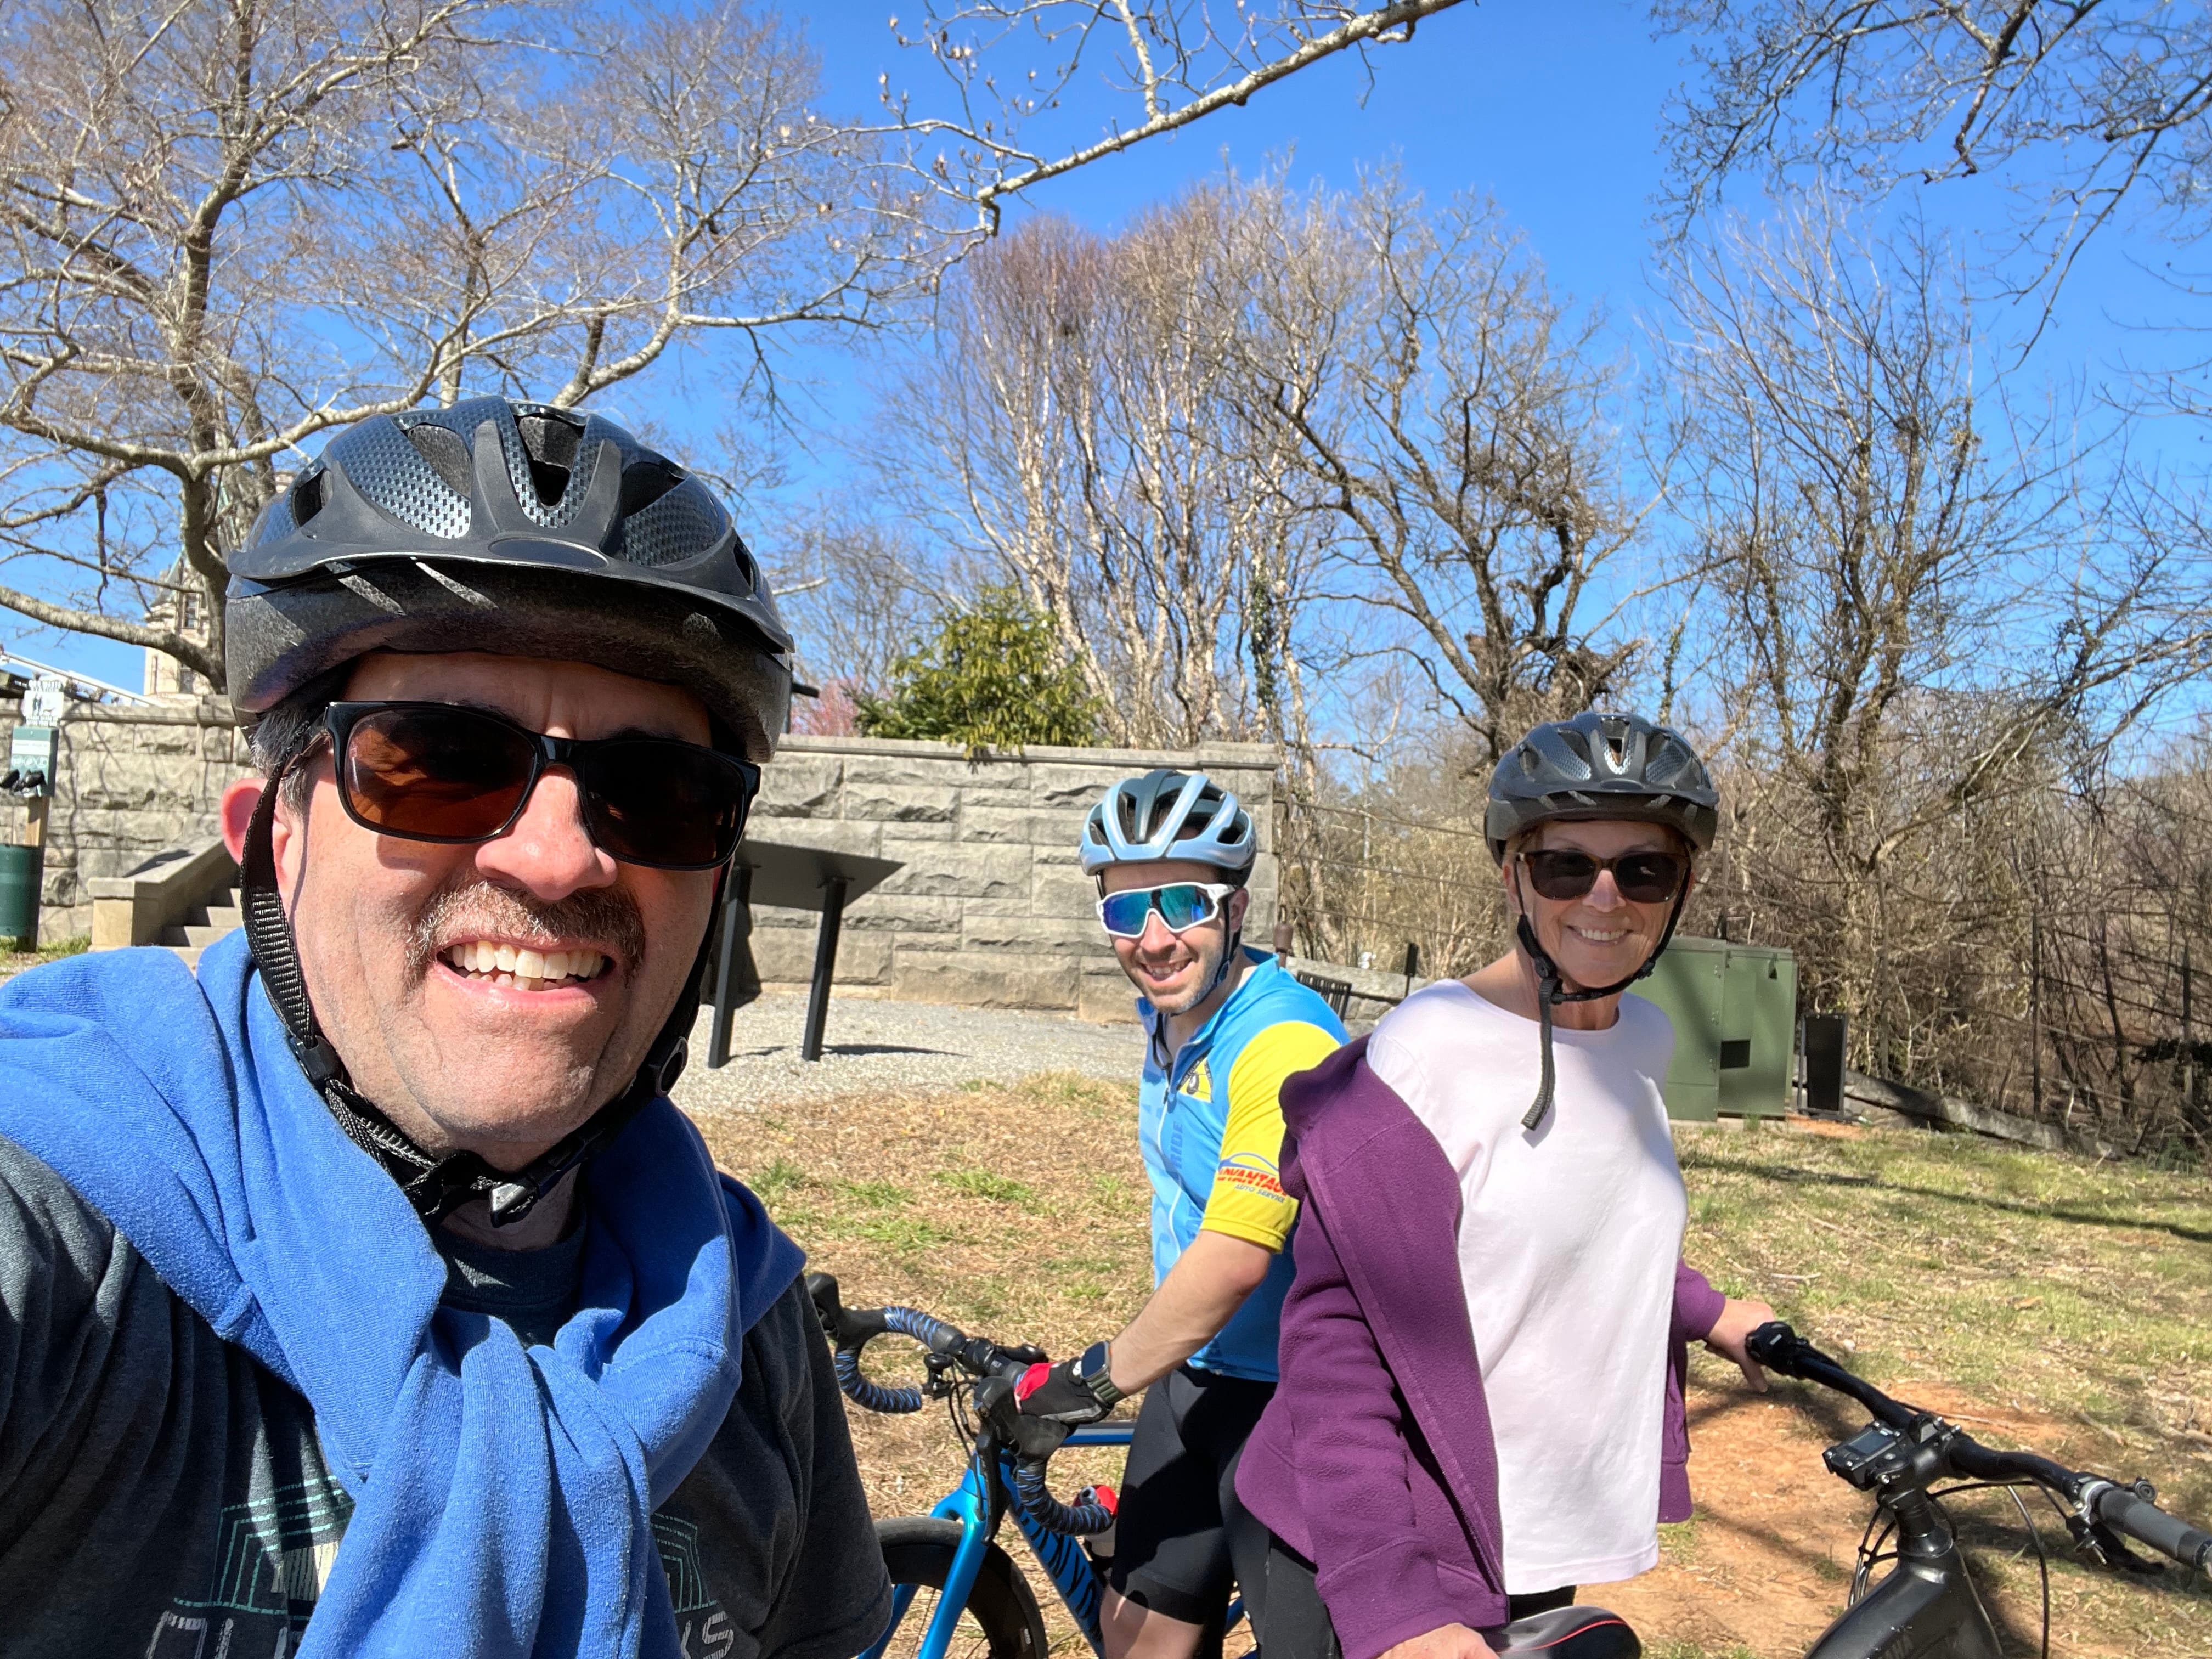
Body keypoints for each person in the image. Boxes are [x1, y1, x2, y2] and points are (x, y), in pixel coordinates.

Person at [0, 398, 890, 1657]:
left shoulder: (743, 1327)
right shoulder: (61, 1239)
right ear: (269, 839)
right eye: (438, 761)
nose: (555, 854)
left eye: (659, 791)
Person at [1235, 712, 1776, 1659]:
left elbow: (1586, 1216)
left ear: (1681, 886)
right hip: (1385, 1549)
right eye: (1568, 865)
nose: (1606, 898)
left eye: (1643, 869)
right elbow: (1337, 1346)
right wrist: (1393, 1603)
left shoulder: (1642, 1039)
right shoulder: (1418, 1063)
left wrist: (1708, 1308)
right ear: (1512, 871)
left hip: (1529, 1524)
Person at [1014, 769, 1347, 1659]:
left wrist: (1090, 1380)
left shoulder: (1281, 1041)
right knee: (1136, 1640)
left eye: (1182, 905)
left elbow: (1238, 1251)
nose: (1154, 939)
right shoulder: (1171, 1023)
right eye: (1127, 913)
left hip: (1302, 1399)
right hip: (1196, 1373)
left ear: (1235, 911)